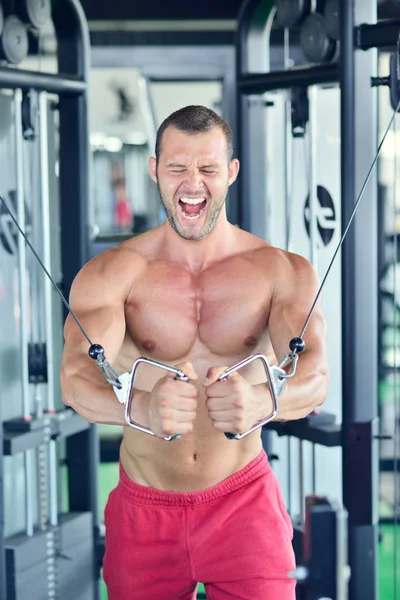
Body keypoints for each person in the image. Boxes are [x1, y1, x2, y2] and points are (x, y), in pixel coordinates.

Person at [60, 105, 329, 600]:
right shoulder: (113, 272)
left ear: (231, 173)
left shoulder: (279, 270)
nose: (192, 183)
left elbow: (314, 374)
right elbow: (75, 378)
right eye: (177, 167)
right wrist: (139, 406)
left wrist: (261, 404)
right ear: (154, 169)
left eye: (207, 169)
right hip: (145, 510)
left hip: (243, 503)